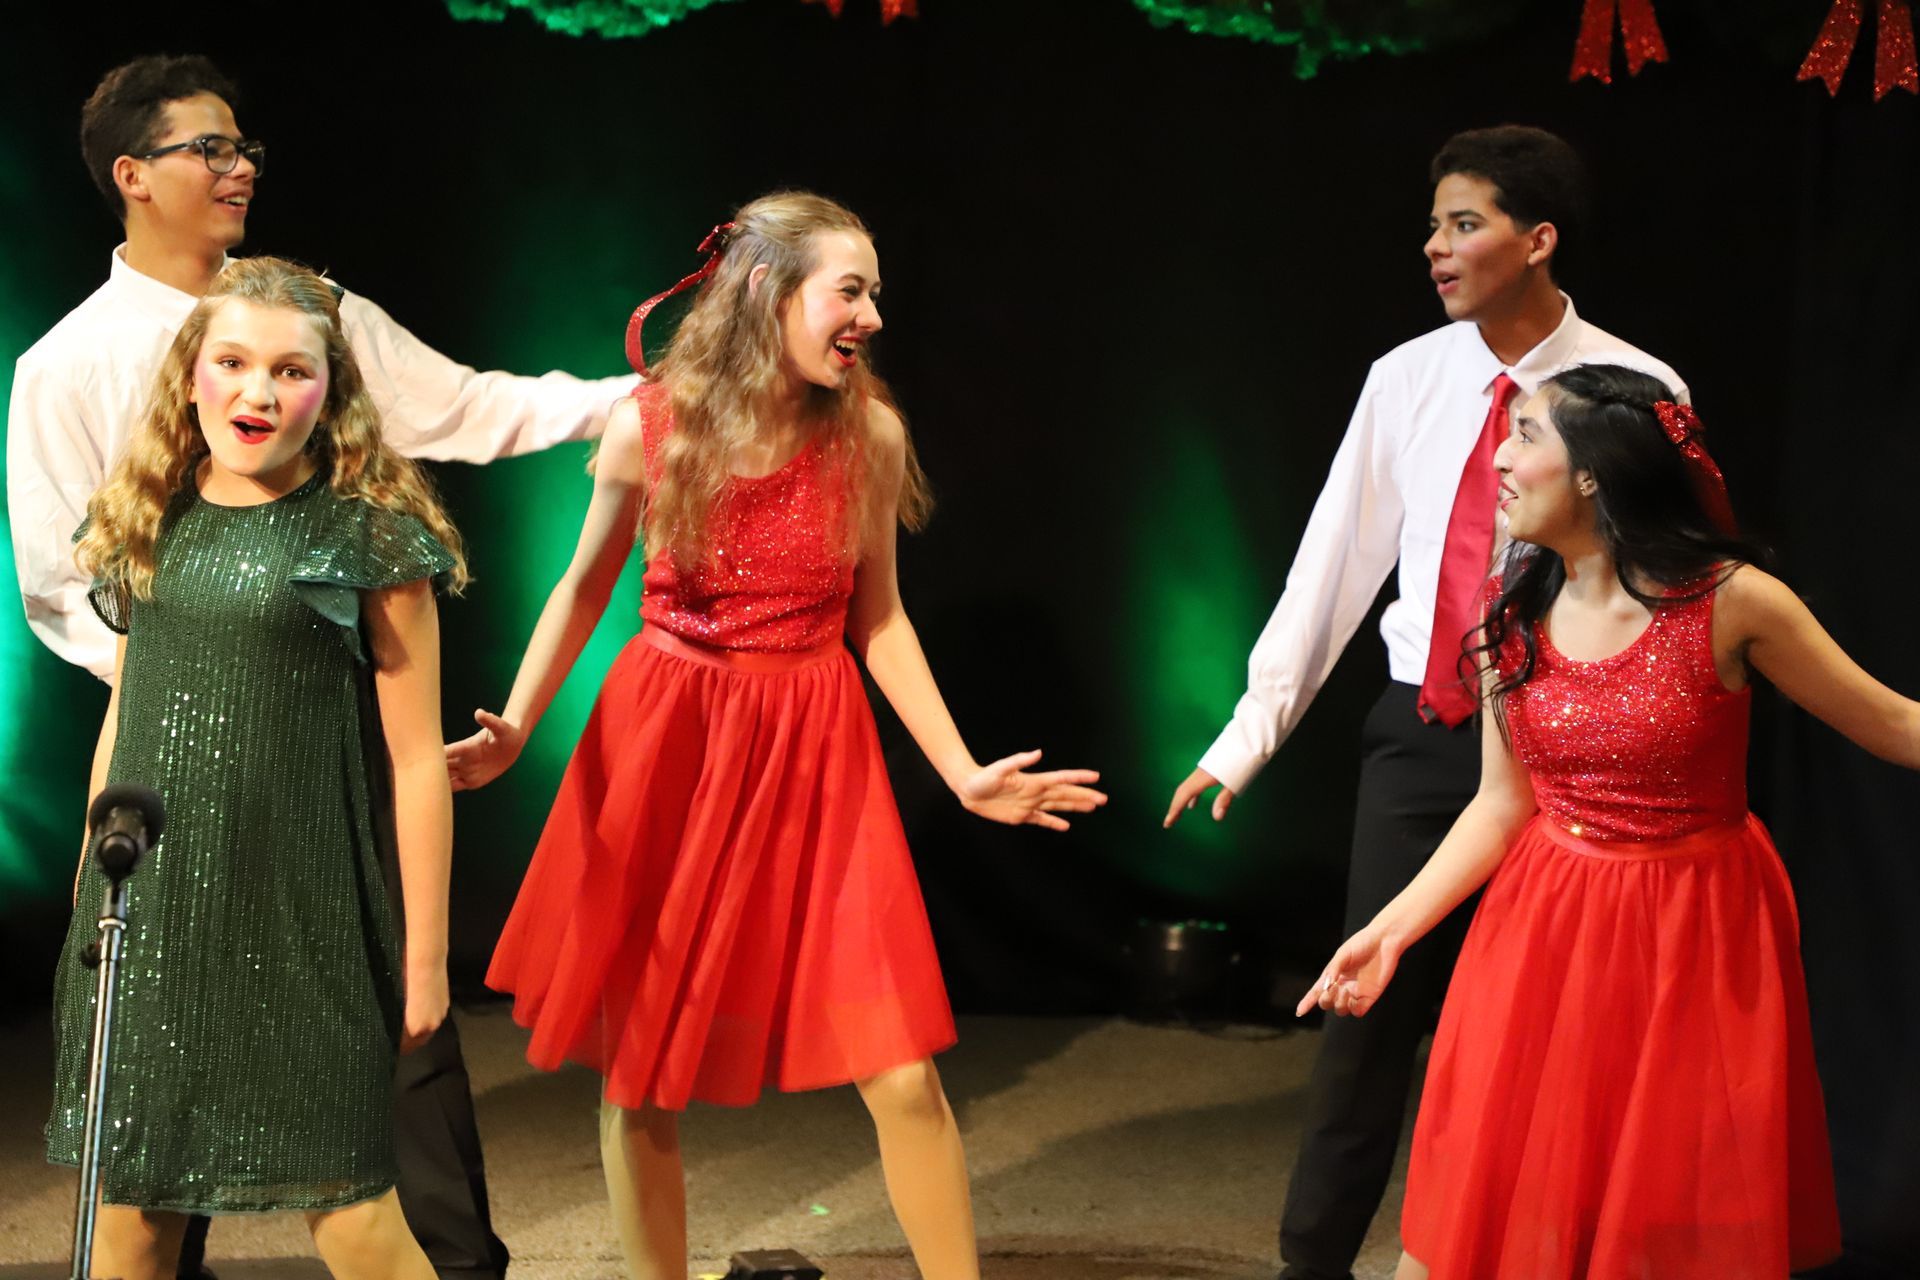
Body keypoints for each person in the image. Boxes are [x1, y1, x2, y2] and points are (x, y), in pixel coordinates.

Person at [8, 54, 632, 1279]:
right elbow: (82, 607)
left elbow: (464, 405)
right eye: (209, 149)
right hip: (176, 822)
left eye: (247, 149)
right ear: (133, 176)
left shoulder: (317, 321)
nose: (239, 168)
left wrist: (632, 399)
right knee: (141, 1193)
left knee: (387, 1169)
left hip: (322, 795)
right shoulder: (69, 372)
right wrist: (202, 685)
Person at [446, 191, 1106, 1280]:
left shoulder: (868, 433)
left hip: (813, 740)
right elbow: (579, 587)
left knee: (899, 1065)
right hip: (672, 737)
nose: (874, 315)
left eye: (876, 292)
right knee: (642, 1071)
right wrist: (517, 724)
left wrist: (963, 772)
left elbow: (878, 617)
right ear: (767, 292)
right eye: (850, 289)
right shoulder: (649, 425)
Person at [1161, 125, 1686, 1280]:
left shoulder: (1636, 389)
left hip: (1568, 739)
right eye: (1434, 224)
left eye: (1465, 223)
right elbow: (1335, 562)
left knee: (1547, 1033)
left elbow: (1668, 582)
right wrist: (1248, 734)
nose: (1435, 247)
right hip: (1429, 726)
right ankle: (1313, 1262)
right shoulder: (1406, 378)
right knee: (1366, 1005)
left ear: (1537, 239)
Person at [1302, 362, 1864, 1278]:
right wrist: (1389, 930)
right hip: (1546, 929)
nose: (1502, 462)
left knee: (1659, 1209)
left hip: (1694, 931)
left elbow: (1892, 724)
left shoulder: (1728, 602)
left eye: (1527, 438)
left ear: (1595, 472)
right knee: (1504, 1199)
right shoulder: (1509, 608)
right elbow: (1500, 803)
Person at [52, 257, 468, 1280]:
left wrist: (425, 956)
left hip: (300, 917)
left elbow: (419, 763)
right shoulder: (149, 513)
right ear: (191, 371)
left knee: (354, 1215)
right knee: (132, 1224)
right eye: (232, 362)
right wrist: (84, 885)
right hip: (152, 919)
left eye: (291, 370)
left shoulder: (368, 536)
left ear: (332, 392)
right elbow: (127, 708)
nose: (257, 392)